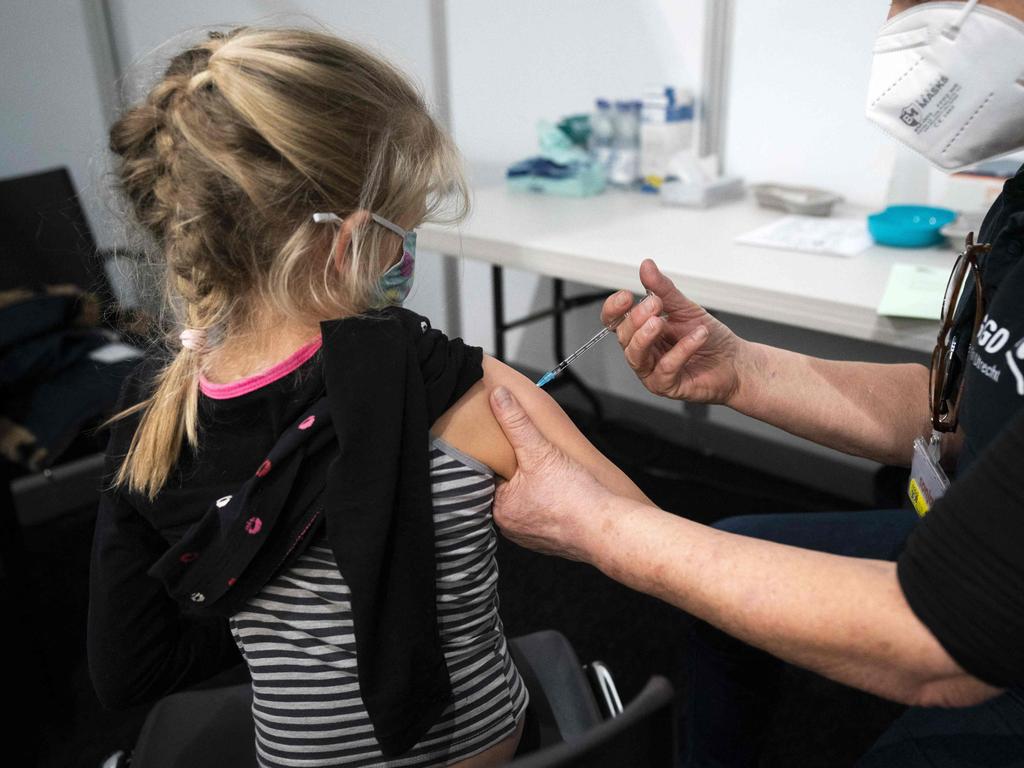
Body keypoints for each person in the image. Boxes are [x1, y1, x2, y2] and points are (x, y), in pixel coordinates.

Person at [86, 27, 650, 768]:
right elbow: (649, 541)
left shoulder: (156, 415)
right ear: (350, 239)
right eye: (404, 228)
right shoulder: (453, 383)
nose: (406, 250)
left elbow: (128, 668)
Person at [485, 0, 1024, 764]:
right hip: (981, 543)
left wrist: (598, 527)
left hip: (976, 620)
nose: (904, 16)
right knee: (733, 570)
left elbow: (938, 641)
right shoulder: (1019, 201)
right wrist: (737, 369)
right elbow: (967, 412)